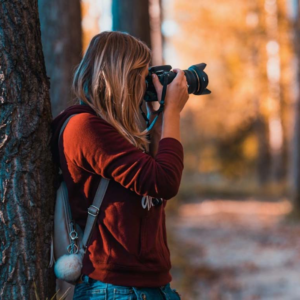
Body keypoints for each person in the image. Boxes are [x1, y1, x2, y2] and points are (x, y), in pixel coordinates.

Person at [50, 31, 189, 300]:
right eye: (142, 74)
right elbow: (165, 181)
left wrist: (157, 115)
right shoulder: (84, 128)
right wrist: (171, 111)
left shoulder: (115, 133)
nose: (145, 83)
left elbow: (153, 194)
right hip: (115, 289)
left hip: (150, 286)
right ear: (122, 75)